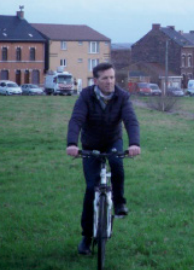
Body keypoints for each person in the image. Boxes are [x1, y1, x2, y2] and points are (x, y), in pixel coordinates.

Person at [66, 63, 141, 256]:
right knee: (92, 188)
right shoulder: (86, 96)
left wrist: (134, 144)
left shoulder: (122, 96)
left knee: (117, 164)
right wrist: (72, 143)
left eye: (112, 77)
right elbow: (76, 119)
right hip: (90, 144)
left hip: (113, 141)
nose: (110, 82)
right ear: (96, 80)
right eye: (105, 78)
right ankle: (87, 237)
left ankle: (119, 202)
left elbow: (131, 121)